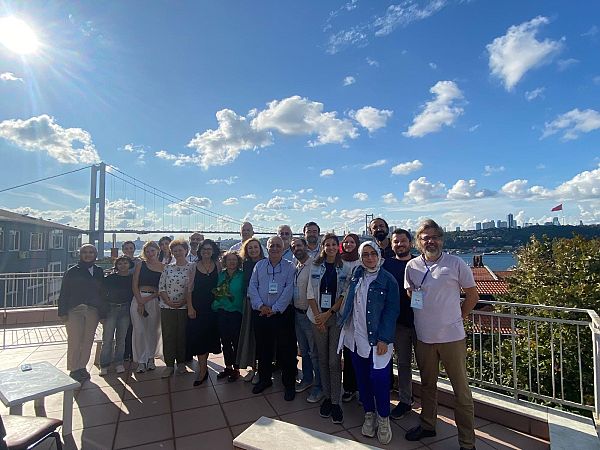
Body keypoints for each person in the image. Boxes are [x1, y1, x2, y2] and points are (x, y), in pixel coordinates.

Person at [404, 219, 479, 450]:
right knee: (427, 385)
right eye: (425, 237)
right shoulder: (412, 266)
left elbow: (472, 296)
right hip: (424, 337)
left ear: (441, 240)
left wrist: (459, 317)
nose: (430, 241)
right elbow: (410, 292)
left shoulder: (455, 263)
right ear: (418, 242)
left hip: (452, 338)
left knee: (461, 392)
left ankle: (467, 443)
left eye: (435, 236)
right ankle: (428, 425)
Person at [338, 241, 400, 445]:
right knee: (362, 380)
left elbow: (392, 311)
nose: (370, 258)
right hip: (355, 339)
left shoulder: (387, 279)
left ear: (379, 255)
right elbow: (350, 301)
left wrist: (384, 338)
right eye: (365, 254)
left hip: (378, 341)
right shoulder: (357, 274)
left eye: (373, 254)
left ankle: (383, 418)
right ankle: (369, 414)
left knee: (380, 380)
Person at [307, 233, 350, 424]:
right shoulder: (315, 266)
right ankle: (327, 397)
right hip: (317, 318)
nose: (331, 247)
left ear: (338, 247)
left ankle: (336, 401)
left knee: (334, 361)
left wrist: (328, 314)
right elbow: (309, 293)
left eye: (334, 244)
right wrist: (318, 317)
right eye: (328, 244)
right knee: (322, 359)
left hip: (335, 318)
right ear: (323, 247)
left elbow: (344, 295)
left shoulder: (345, 268)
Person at [248, 236, 297, 401]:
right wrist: (261, 306)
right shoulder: (259, 265)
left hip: (282, 315)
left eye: (278, 246)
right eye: (272, 246)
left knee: (286, 350)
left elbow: (289, 289)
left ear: (283, 248)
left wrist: (274, 309)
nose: (275, 248)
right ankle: (264, 379)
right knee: (263, 349)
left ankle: (289, 384)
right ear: (267, 248)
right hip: (261, 314)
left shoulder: (290, 267)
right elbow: (252, 287)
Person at [382, 228, 417, 419]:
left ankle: (429, 406)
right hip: (399, 323)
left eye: (403, 241)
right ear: (392, 244)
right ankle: (405, 400)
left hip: (422, 322)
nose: (400, 244)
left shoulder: (420, 262)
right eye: (396, 242)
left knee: (427, 366)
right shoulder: (386, 264)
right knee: (403, 363)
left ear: (410, 242)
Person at [58, 244, 104, 382]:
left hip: (93, 310)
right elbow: (64, 292)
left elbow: (102, 292)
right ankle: (73, 368)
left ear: (95, 255)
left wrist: (102, 313)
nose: (88, 254)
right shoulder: (72, 271)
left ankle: (82, 367)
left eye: (91, 252)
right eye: (85, 252)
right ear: (80, 254)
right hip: (75, 309)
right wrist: (62, 312)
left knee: (88, 340)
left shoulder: (98, 271)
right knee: (74, 340)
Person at [291, 237, 323, 403]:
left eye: (299, 245)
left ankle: (319, 386)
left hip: (309, 315)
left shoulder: (314, 265)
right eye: (294, 246)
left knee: (314, 352)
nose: (297, 248)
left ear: (305, 247)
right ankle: (308, 378)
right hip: (297, 315)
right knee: (304, 351)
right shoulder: (296, 266)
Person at [186, 239, 222, 386]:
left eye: (209, 249)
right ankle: (202, 370)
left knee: (209, 339)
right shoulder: (193, 266)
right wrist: (190, 307)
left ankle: (204, 368)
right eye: (204, 249)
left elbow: (221, 285)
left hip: (213, 308)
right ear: (200, 251)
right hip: (198, 308)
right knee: (200, 339)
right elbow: (189, 289)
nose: (206, 251)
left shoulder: (218, 265)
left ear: (213, 251)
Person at [158, 239, 192, 378]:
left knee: (182, 335)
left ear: (186, 251)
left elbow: (192, 288)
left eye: (180, 250)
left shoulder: (192, 267)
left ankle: (182, 363)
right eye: (175, 250)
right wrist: (168, 301)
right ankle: (169, 365)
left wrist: (184, 301)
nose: (178, 253)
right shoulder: (167, 268)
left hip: (184, 307)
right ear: (171, 252)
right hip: (167, 307)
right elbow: (161, 287)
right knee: (169, 335)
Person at [131, 241, 164, 373]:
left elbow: (162, 288)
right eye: (147, 251)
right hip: (138, 299)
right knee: (139, 331)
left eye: (152, 251)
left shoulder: (164, 267)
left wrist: (148, 299)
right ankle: (140, 361)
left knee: (152, 331)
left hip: (154, 300)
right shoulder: (141, 265)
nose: (150, 254)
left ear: (158, 251)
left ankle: (150, 358)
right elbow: (134, 284)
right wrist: (140, 301)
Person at [212, 251, 245, 382]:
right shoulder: (220, 275)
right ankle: (228, 367)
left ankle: (237, 369)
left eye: (234, 260)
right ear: (224, 262)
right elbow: (216, 291)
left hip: (236, 312)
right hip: (222, 311)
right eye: (229, 260)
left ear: (238, 262)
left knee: (236, 341)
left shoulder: (242, 276)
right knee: (225, 341)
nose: (232, 262)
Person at [237, 238, 265, 384]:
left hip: (265, 304)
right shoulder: (245, 265)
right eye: (250, 248)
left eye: (256, 247)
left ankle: (262, 369)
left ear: (260, 248)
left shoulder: (266, 262)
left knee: (263, 337)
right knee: (251, 336)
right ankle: (253, 368)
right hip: (249, 304)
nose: (253, 250)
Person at [99, 256, 133, 376]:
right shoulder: (110, 278)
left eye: (125, 263)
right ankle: (104, 364)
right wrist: (102, 313)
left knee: (121, 339)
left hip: (125, 309)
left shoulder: (132, 278)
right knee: (107, 339)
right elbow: (102, 295)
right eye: (120, 263)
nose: (123, 265)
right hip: (111, 309)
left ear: (129, 264)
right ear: (116, 265)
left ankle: (119, 363)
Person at [339, 233, 361, 403]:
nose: (348, 244)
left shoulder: (362, 261)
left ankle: (362, 388)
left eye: (352, 242)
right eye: (346, 242)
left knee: (360, 351)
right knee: (347, 350)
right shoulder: (337, 260)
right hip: (339, 311)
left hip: (358, 312)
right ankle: (348, 387)